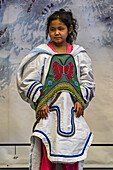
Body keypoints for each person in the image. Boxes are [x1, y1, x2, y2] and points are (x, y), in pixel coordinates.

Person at [16, 8, 95, 170]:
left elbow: (88, 81)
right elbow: (28, 81)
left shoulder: (79, 55)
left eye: (61, 29)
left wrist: (81, 100)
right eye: (52, 29)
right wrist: (40, 102)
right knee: (47, 151)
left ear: (69, 29)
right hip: (49, 112)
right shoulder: (42, 55)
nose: (56, 33)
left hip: (73, 113)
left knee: (71, 153)